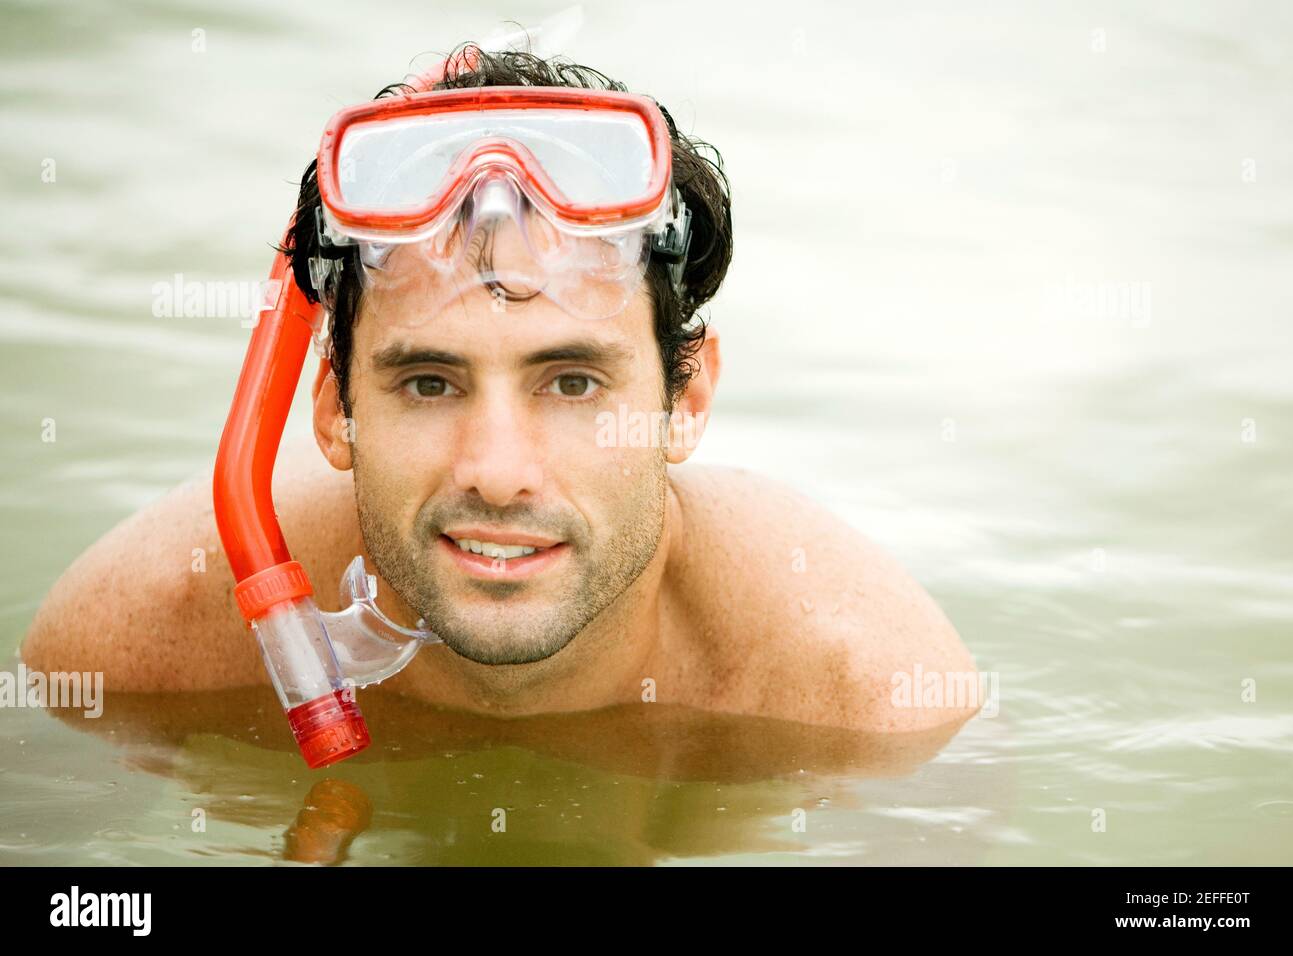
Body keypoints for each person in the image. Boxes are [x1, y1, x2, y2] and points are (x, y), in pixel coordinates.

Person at [22, 46, 979, 739]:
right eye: (429, 382)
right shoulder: (145, 644)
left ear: (685, 401)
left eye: (571, 381)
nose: (497, 472)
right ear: (333, 408)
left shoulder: (865, 701)